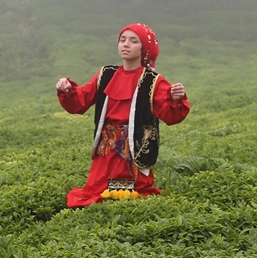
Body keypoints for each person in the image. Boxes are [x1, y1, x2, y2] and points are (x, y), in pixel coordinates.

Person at [57, 24, 190, 207]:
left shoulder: (154, 81)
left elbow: (170, 116)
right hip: (106, 147)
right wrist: (67, 90)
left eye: (133, 41)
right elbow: (80, 101)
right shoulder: (106, 75)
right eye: (122, 40)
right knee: (97, 193)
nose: (126, 44)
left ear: (145, 48)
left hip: (135, 146)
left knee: (133, 195)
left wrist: (176, 99)